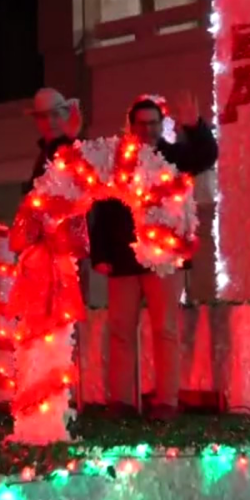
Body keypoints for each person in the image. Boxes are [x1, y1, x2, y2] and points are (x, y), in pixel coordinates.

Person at [90, 92, 217, 419]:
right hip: (121, 260)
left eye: (154, 123)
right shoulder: (116, 162)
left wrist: (195, 126)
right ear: (131, 126)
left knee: (165, 330)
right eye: (142, 124)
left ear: (162, 125)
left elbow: (206, 155)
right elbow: (101, 208)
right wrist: (100, 254)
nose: (148, 129)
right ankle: (121, 401)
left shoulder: (173, 156)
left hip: (163, 260)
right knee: (120, 329)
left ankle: (167, 402)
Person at [25, 88, 81, 192]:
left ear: (66, 116)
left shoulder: (78, 151)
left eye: (55, 114)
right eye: (43, 117)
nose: (49, 122)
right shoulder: (44, 153)